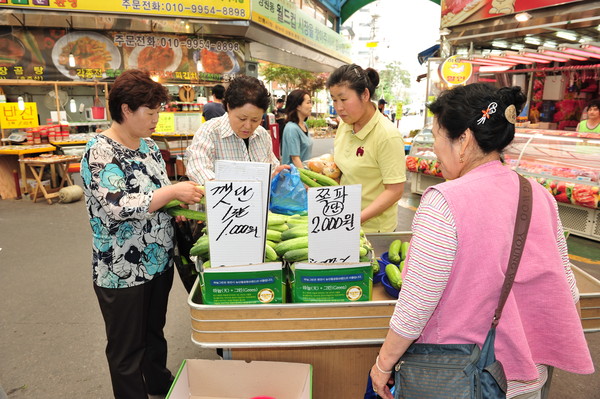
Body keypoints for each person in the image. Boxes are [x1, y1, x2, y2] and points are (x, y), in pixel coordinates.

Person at [370, 83, 594, 399]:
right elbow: (566, 286)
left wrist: (383, 365)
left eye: (436, 136)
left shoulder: (443, 202)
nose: (435, 147)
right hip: (527, 376)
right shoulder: (538, 195)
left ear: (463, 140)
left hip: (461, 377)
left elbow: (417, 303)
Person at [80, 69, 204, 399]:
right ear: (126, 110)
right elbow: (119, 205)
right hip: (121, 269)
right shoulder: (100, 150)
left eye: (158, 111)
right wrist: (173, 192)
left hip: (157, 260)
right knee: (126, 349)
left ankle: (159, 385)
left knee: (153, 333)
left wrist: (178, 201)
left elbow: (159, 192)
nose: (156, 119)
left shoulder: (148, 146)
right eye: (150, 113)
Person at [326, 64, 406, 233]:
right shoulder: (344, 125)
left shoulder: (387, 136)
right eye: (334, 100)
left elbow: (394, 191)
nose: (338, 107)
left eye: (344, 99)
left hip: (373, 231)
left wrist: (357, 218)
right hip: (342, 220)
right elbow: (342, 171)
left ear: (365, 95)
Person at [186, 75, 283, 184]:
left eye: (255, 120)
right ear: (228, 107)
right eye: (242, 118)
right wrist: (222, 187)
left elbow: (272, 168)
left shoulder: (262, 135)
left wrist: (275, 175)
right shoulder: (209, 132)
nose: (248, 126)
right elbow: (197, 168)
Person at [280, 89, 313, 169]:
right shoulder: (292, 128)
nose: (311, 106)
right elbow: (295, 159)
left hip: (304, 173)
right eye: (308, 103)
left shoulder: (304, 125)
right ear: (298, 106)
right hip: (295, 177)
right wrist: (306, 180)